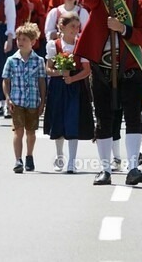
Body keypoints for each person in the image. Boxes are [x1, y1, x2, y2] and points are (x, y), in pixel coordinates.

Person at [74, 0, 142, 187]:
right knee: (104, 120)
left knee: (133, 117)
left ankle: (133, 168)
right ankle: (104, 170)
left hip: (129, 67)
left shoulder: (139, 3)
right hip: (102, 68)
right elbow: (86, 0)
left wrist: (122, 28)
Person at [43, 13, 92, 173]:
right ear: (62, 27)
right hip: (58, 87)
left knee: (73, 122)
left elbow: (86, 70)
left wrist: (72, 78)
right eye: (72, 26)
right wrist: (60, 73)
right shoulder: (53, 45)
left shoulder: (82, 45)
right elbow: (48, 69)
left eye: (77, 26)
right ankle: (59, 156)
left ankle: (72, 161)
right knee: (58, 120)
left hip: (75, 88)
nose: (76, 29)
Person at [3, 23, 47, 174]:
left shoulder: (39, 61)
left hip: (33, 101)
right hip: (17, 100)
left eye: (24, 39)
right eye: (18, 39)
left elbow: (42, 80)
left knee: (31, 132)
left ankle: (29, 155)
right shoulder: (11, 60)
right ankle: (18, 160)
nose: (20, 42)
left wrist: (42, 100)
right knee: (18, 131)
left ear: (33, 42)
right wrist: (7, 98)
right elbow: (6, 80)